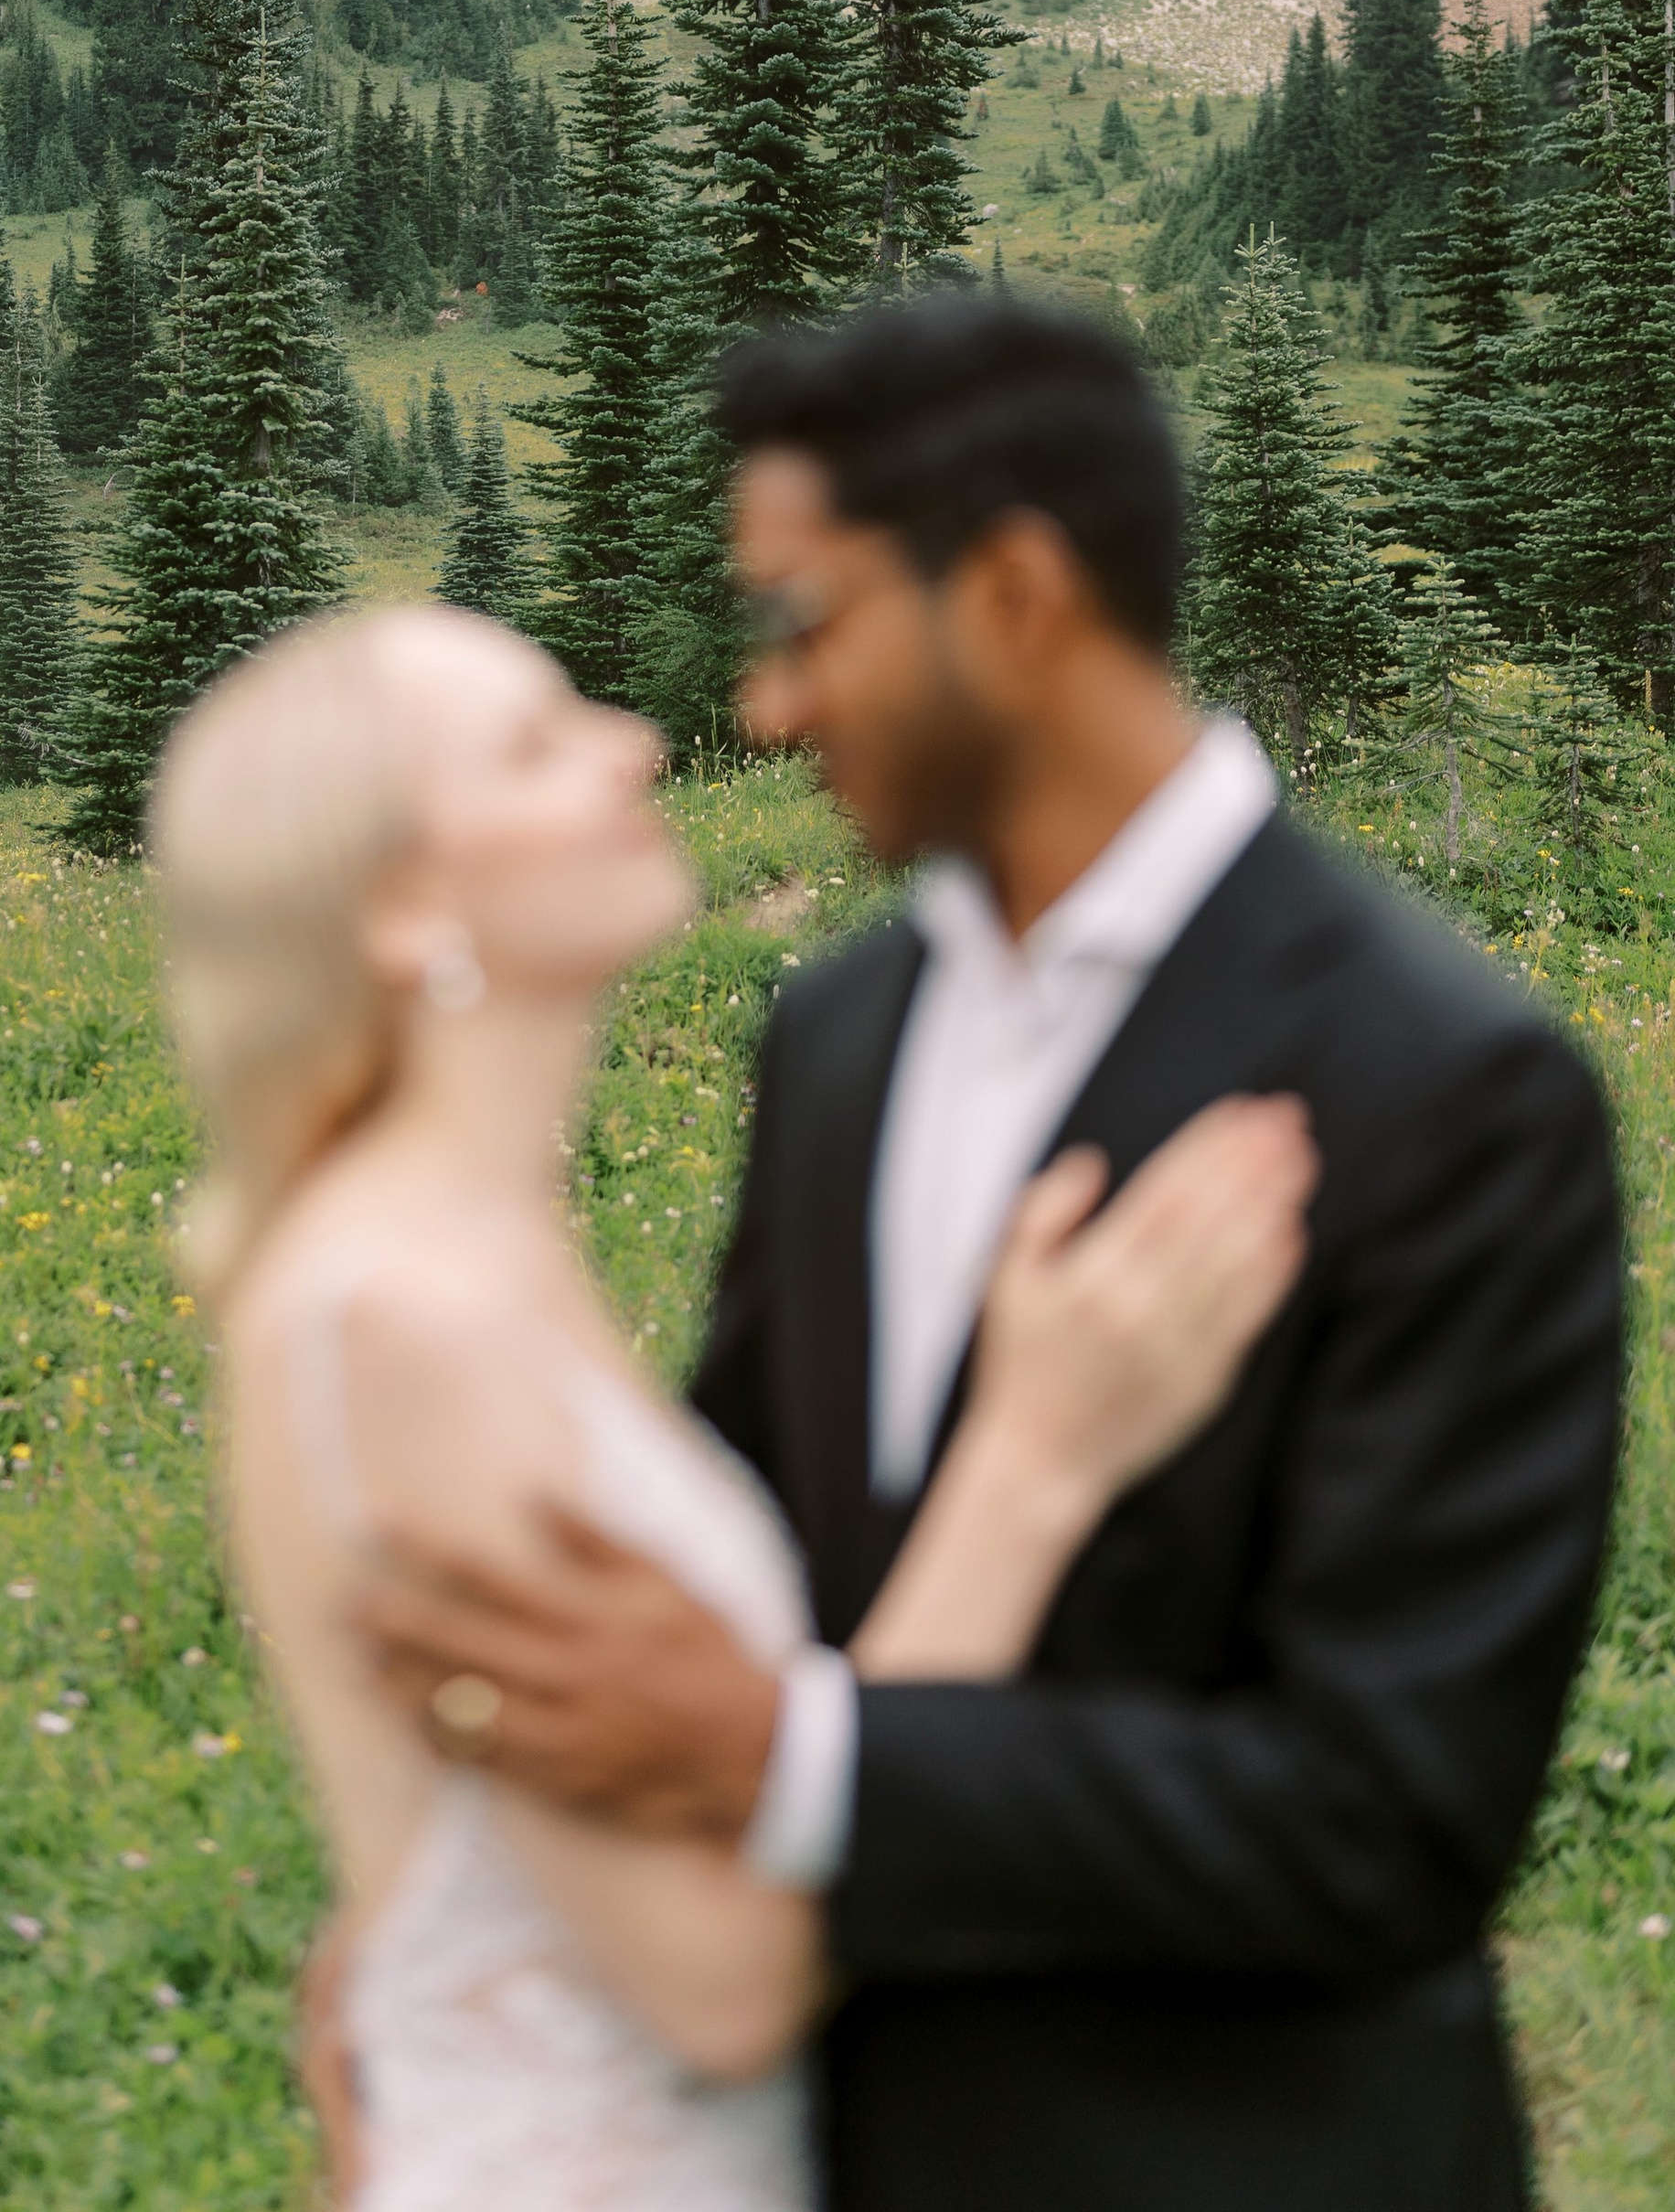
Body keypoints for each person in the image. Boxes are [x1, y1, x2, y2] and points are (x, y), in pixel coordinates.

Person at [357, 297, 1627, 2212]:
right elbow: (759, 1546)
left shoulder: (1448, 1085)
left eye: (808, 622)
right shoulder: (837, 1034)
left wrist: (802, 1760)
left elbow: (1388, 1824)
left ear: (1016, 593)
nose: (767, 707)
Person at [155, 593, 1318, 2212]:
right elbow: (721, 1986)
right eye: (536, 743)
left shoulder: (478, 1256)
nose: (634, 743)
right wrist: (1038, 1454)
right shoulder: (395, 1317)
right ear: (407, 903)